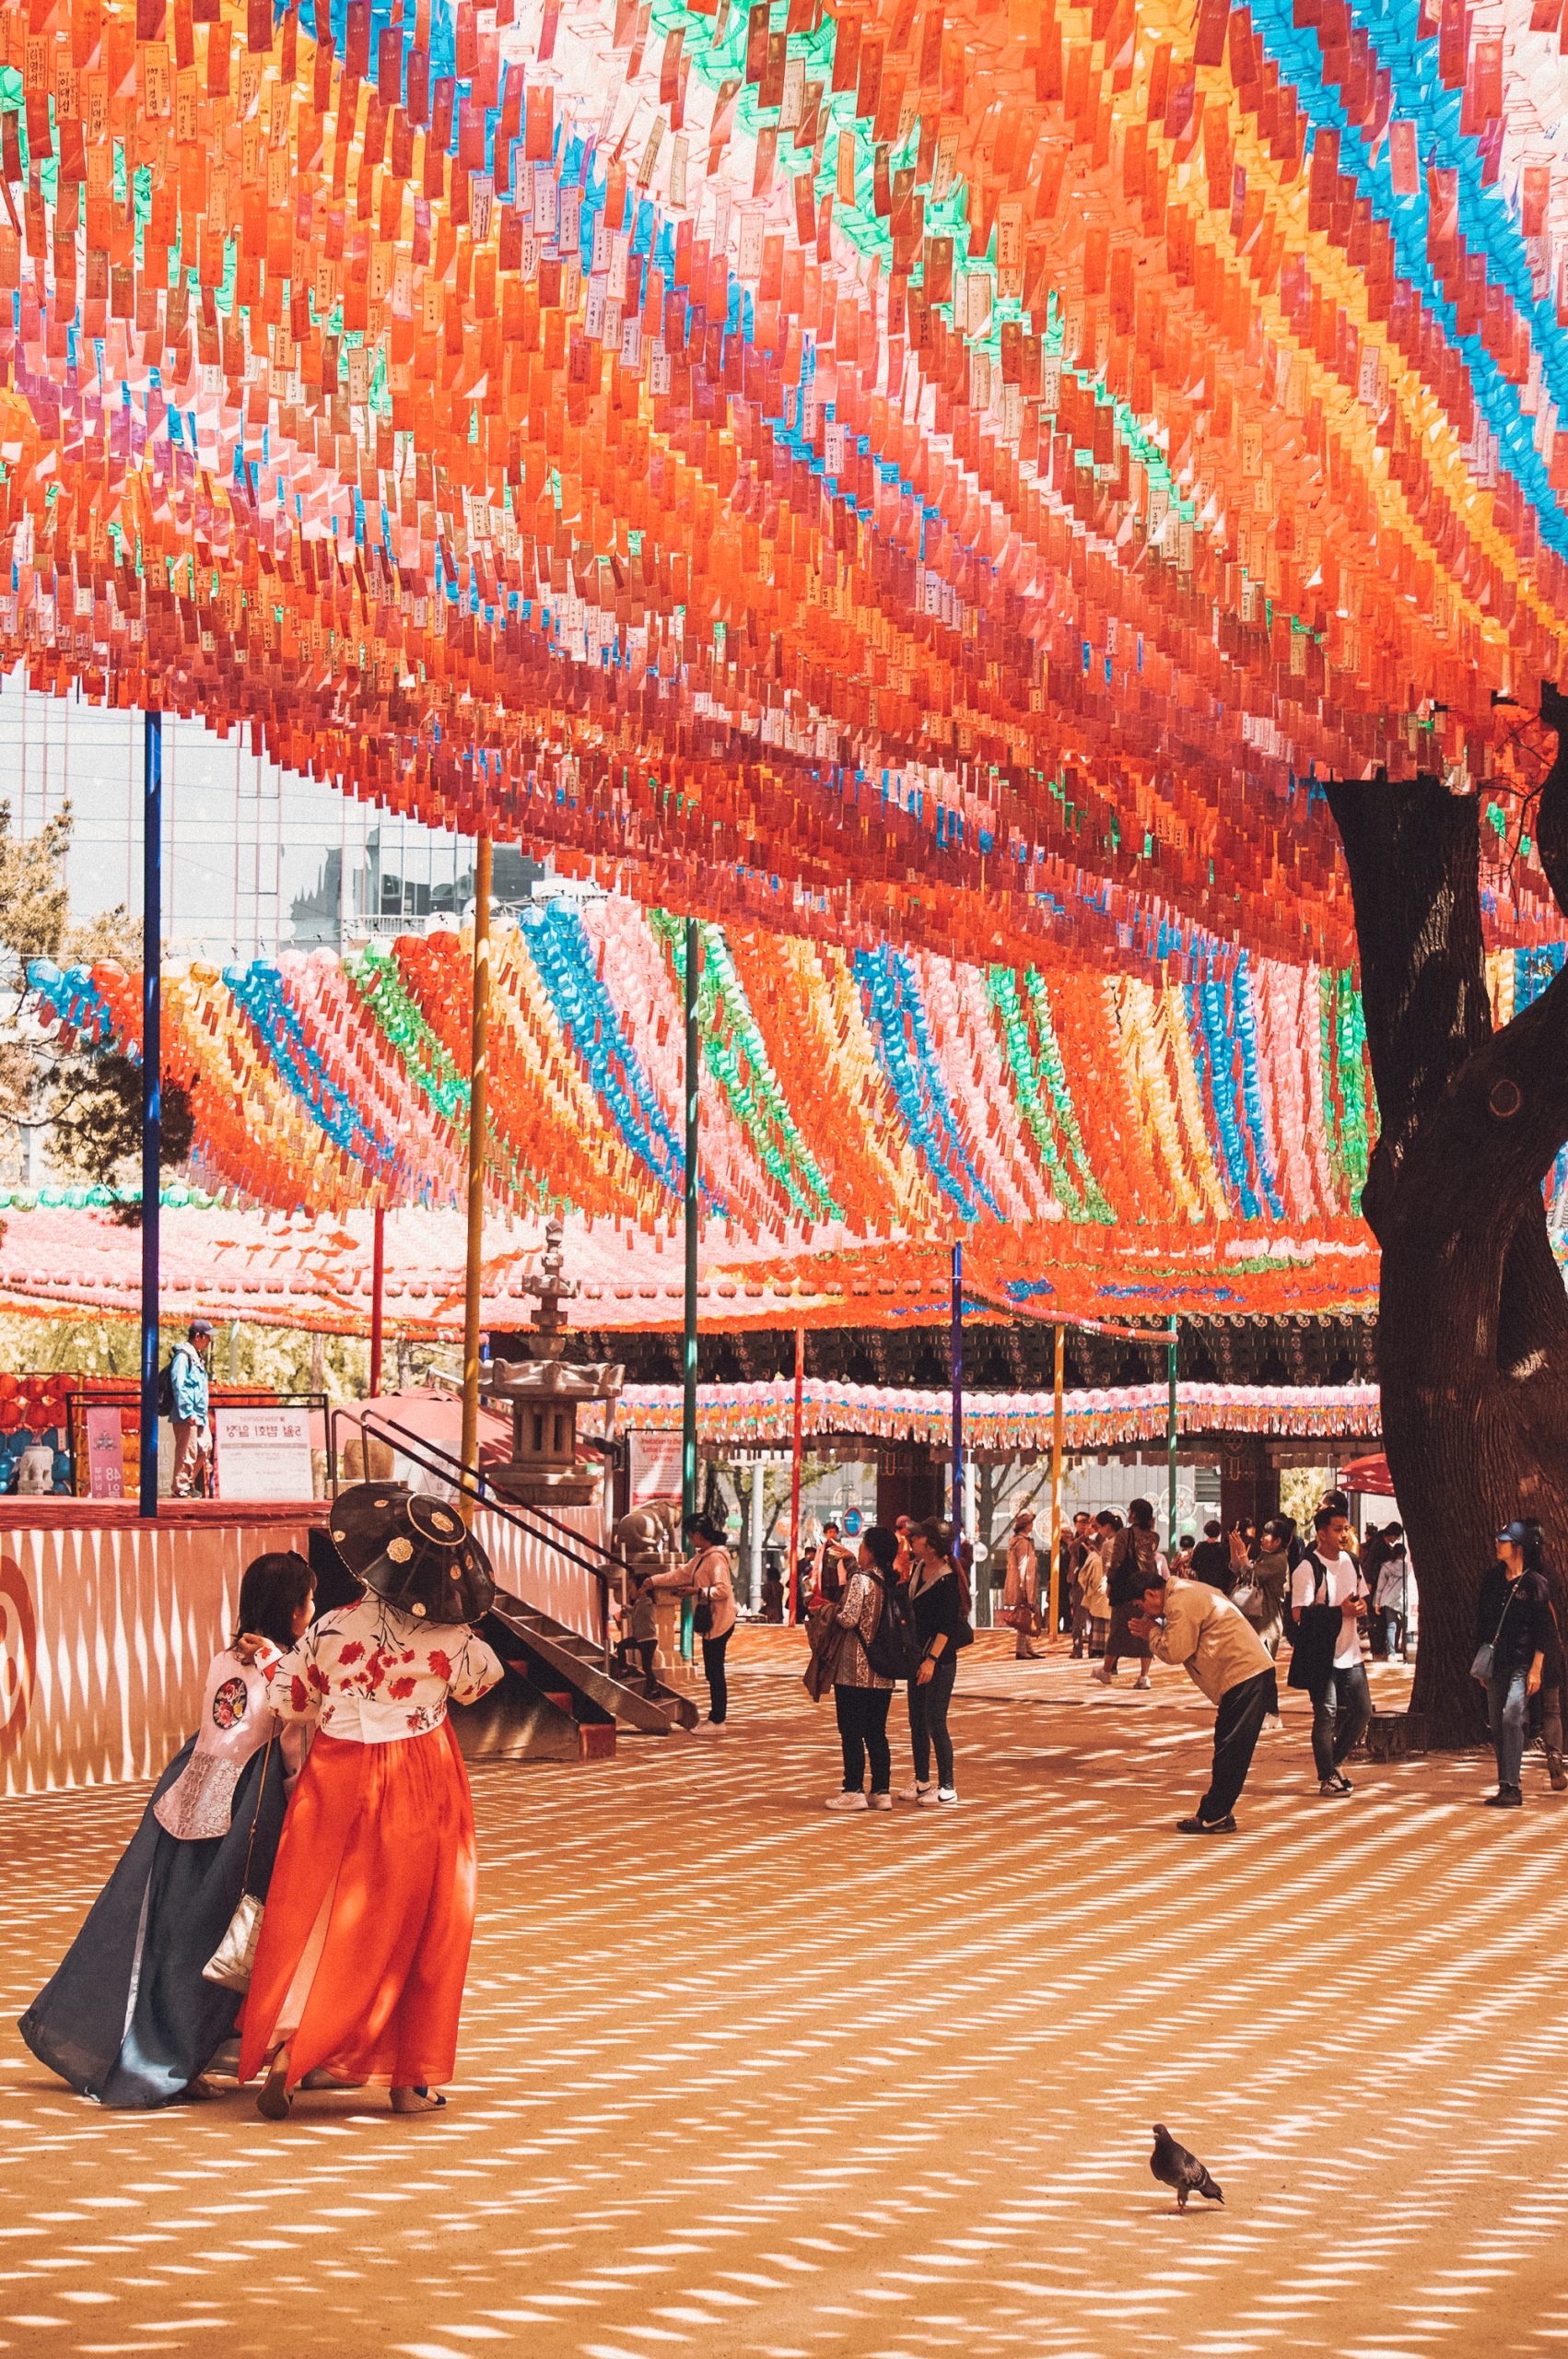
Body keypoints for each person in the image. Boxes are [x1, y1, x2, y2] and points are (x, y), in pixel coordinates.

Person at [239, 1485, 503, 2118]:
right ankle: (409, 2082)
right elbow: (479, 1684)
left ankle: (291, 2050)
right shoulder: (455, 1639)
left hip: (334, 1771)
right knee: (426, 1919)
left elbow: (287, 1701)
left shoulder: (330, 1626)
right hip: (421, 1775)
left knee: (320, 1908)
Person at [19, 1549, 315, 2107]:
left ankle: (155, 2047)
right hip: (248, 1810)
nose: (311, 1608)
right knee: (221, 1934)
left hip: (186, 1791)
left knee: (168, 1927)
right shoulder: (288, 1669)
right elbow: (296, 1747)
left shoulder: (224, 1657)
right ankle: (177, 2055)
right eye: (308, 1599)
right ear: (294, 1612)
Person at [1131, 1568, 1278, 1834]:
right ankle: (1218, 1812)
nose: (1146, 1613)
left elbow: (1176, 1650)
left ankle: (1215, 1814)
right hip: (1245, 1673)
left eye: (1141, 1605)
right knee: (1228, 1746)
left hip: (1244, 1674)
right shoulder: (1188, 1591)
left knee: (1231, 1749)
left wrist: (1151, 1633)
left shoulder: (1180, 1600)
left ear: (1151, 1594)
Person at [1473, 1520, 1556, 1808]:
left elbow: (1545, 1630)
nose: (1498, 1544)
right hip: (1496, 1663)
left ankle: (1514, 1787)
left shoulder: (1535, 1584)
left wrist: (1536, 1669)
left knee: (1512, 1717)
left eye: (1504, 1540)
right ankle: (1505, 1785)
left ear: (1517, 1547)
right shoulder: (1492, 1579)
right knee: (1498, 1724)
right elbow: (1482, 1621)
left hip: (1523, 1663)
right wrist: (1481, 1663)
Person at [1290, 1502, 1371, 1797]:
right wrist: (1341, 1612)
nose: (1344, 1535)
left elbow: (1361, 1598)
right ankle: (1327, 1776)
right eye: (1338, 1530)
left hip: (1351, 1652)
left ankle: (1334, 1762)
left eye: (1346, 1529)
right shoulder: (1307, 1567)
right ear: (1321, 1533)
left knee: (1362, 1710)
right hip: (1320, 1654)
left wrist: (1359, 1608)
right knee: (1326, 1713)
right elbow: (1299, 1613)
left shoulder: (1351, 1561)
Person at [825, 1527, 899, 1813]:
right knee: (876, 1732)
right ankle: (881, 1791)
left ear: (871, 1551)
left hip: (854, 1670)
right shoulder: (887, 1581)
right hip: (883, 1672)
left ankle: (852, 1789)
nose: (860, 1549)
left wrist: (831, 1610)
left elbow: (848, 1618)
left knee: (851, 1731)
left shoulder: (859, 1581)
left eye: (863, 1545)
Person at [902, 1518, 970, 1806]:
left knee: (935, 1721)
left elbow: (946, 1626)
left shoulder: (947, 1579)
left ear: (930, 1546)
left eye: (917, 1537)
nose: (912, 1540)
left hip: (939, 1662)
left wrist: (931, 1660)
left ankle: (947, 1786)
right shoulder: (918, 1568)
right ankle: (921, 1782)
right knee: (916, 1720)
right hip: (917, 1656)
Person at [655, 1511, 736, 1731]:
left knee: (715, 1671)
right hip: (712, 1623)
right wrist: (653, 1580)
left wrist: (697, 1591)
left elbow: (723, 1590)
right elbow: (680, 1574)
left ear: (698, 1535)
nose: (691, 1541)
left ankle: (718, 1719)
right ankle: (716, 1717)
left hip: (719, 1622)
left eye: (691, 1536)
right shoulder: (702, 1557)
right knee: (712, 1671)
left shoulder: (715, 1558)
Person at [1094, 1498, 1164, 1689]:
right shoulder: (1154, 1537)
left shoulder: (1125, 1534)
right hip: (1145, 1589)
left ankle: (1107, 1671)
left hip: (1125, 1588)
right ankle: (1144, 1676)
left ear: (1133, 1514)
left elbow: (1116, 1560)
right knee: (1145, 1630)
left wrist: (1109, 1580)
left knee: (1118, 1629)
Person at [168, 1317, 215, 1497]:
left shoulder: (197, 1357)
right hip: (187, 1414)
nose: (209, 1341)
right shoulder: (183, 1356)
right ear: (198, 1336)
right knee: (187, 1450)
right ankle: (180, 1488)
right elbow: (178, 1383)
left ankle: (186, 1482)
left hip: (199, 1414)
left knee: (204, 1448)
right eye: (207, 1337)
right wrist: (186, 1411)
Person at [614, 1569, 661, 1696]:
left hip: (648, 1640)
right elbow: (635, 1610)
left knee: (646, 1667)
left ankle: (655, 1689)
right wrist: (627, 1608)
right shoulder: (639, 1603)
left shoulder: (647, 1602)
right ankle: (624, 1669)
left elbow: (643, 1610)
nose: (630, 1591)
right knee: (621, 1645)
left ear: (641, 1589)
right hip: (639, 1638)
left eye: (632, 1587)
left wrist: (643, 1594)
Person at [1003, 1511, 1042, 1661]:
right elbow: (1024, 1566)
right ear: (1026, 1526)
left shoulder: (1016, 1541)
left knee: (1024, 1615)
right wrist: (1025, 1588)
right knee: (1023, 1616)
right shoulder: (1023, 1542)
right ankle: (1021, 1650)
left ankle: (1027, 1649)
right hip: (1024, 1584)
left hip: (1019, 1583)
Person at [1373, 1525, 1411, 1661]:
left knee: (1391, 1626)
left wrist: (1377, 1603)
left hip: (1388, 1600)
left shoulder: (1386, 1567)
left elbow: (1380, 1587)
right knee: (1406, 1626)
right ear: (1403, 1555)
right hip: (1402, 1599)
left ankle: (1391, 1653)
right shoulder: (1407, 1568)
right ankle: (1407, 1652)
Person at [1080, 1530, 1111, 1658]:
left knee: (1097, 1622)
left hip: (1097, 1593)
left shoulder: (1094, 1558)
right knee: (1103, 1624)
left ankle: (1096, 1649)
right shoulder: (1097, 1559)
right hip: (1102, 1592)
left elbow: (1085, 1578)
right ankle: (1101, 1649)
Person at [1188, 1520, 1231, 1592]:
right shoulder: (1224, 1547)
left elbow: (1193, 1565)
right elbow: (1227, 1567)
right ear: (1219, 1532)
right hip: (1220, 1585)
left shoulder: (1200, 1546)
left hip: (1204, 1582)